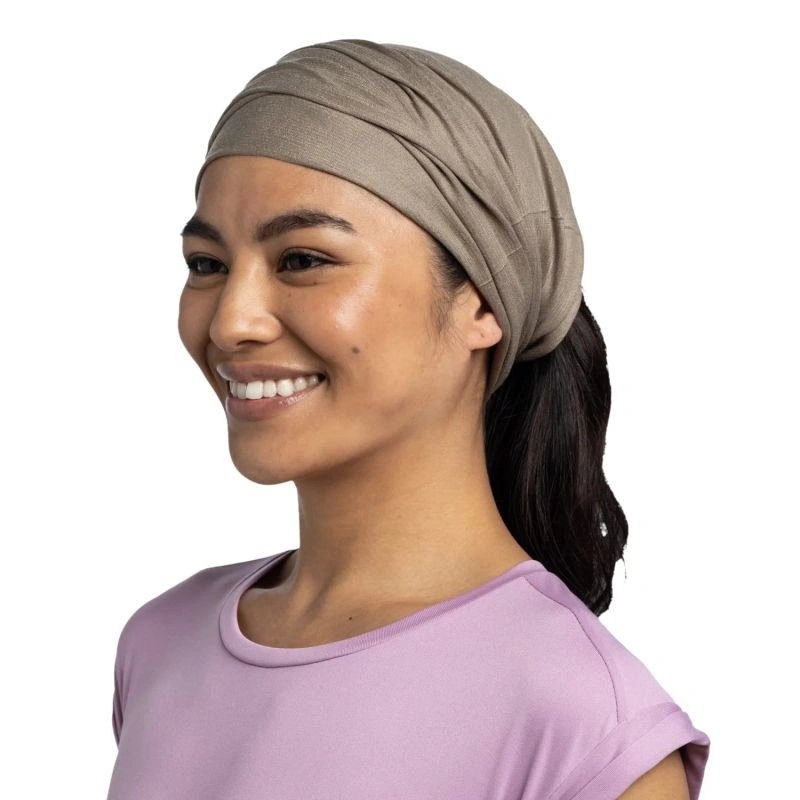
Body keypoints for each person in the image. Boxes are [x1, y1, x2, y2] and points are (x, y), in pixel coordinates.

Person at [106, 39, 711, 799]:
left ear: (482, 302)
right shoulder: (163, 642)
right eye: (207, 265)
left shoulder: (586, 727)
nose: (231, 322)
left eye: (303, 260)